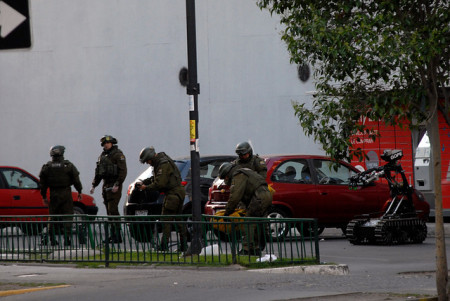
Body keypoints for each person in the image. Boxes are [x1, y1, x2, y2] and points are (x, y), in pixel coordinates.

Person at [138, 146, 187, 252]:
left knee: (166, 220)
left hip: (173, 194)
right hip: (177, 193)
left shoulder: (162, 164)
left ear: (151, 157)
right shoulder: (161, 161)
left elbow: (160, 183)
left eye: (148, 160)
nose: (148, 163)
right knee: (179, 220)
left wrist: (145, 187)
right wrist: (144, 182)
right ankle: (184, 246)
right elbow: (157, 178)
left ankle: (164, 245)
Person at [218, 162, 272, 256]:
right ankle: (256, 247)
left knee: (248, 222)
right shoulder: (244, 171)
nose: (226, 180)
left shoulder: (238, 175)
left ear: (227, 174)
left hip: (259, 197)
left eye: (225, 177)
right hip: (265, 195)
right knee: (258, 222)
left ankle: (247, 249)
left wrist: (227, 212)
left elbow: (235, 196)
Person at [39, 145, 83, 246]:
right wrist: (79, 191)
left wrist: (44, 196)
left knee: (53, 217)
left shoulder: (47, 167)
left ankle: (52, 239)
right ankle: (67, 239)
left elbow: (42, 184)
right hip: (66, 193)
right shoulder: (68, 165)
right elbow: (76, 180)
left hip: (53, 194)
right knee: (68, 216)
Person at [90, 135, 127, 243]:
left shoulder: (118, 155)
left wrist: (117, 184)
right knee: (109, 211)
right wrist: (94, 185)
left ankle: (118, 234)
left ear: (112, 143)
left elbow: (123, 171)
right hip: (105, 185)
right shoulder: (102, 156)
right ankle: (113, 234)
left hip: (114, 185)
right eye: (104, 144)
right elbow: (99, 172)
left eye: (108, 143)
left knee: (113, 210)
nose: (106, 145)